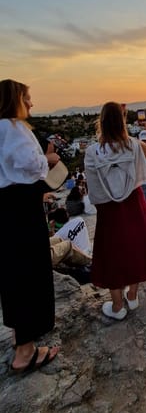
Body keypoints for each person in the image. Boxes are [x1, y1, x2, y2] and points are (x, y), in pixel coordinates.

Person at [0, 79, 60, 372]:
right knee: (29, 272)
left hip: (6, 207)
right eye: (28, 98)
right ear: (15, 100)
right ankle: (25, 352)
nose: (31, 103)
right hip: (22, 207)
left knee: (13, 272)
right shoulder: (13, 129)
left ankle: (18, 337)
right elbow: (33, 166)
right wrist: (48, 157)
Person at [84, 102, 146, 320]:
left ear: (102, 122)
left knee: (112, 253)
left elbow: (94, 184)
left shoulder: (93, 152)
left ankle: (117, 306)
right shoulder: (133, 145)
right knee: (135, 246)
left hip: (108, 208)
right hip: (133, 202)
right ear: (121, 121)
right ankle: (133, 295)